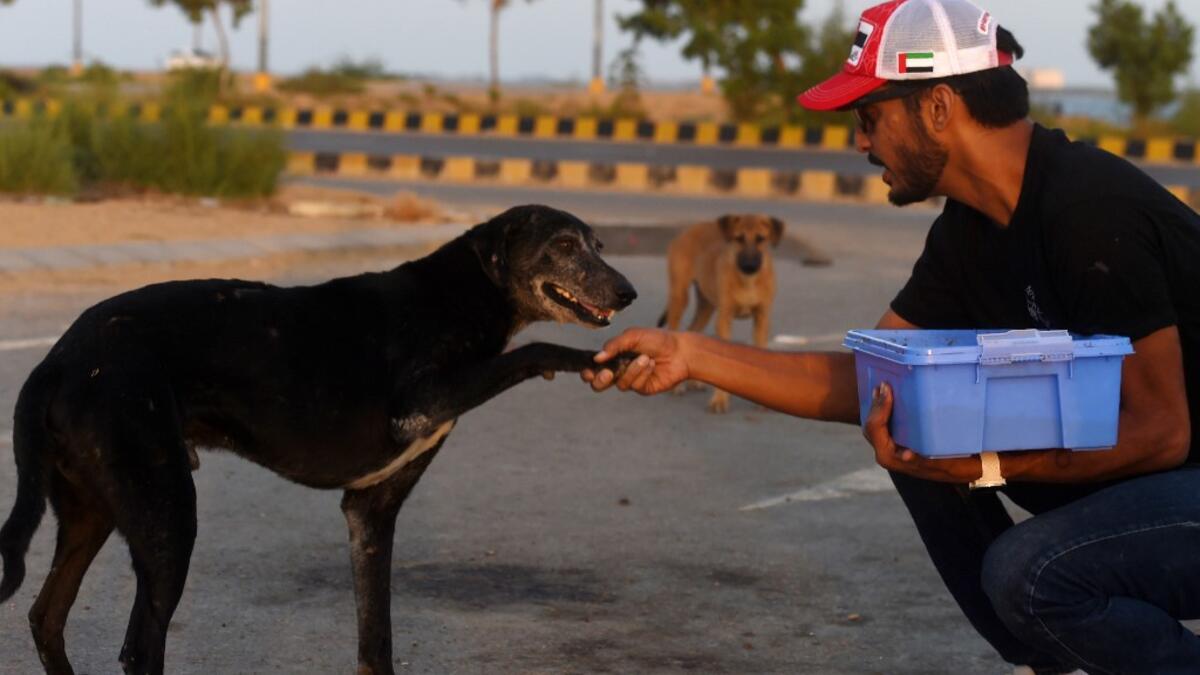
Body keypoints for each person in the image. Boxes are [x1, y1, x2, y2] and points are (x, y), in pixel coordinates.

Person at [582, 1, 1200, 673]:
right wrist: (694, 354)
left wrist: (989, 465)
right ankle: (1051, 649)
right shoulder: (969, 230)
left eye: (869, 116)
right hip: (1160, 482)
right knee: (909, 426)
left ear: (938, 107)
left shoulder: (1086, 210)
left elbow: (1163, 429)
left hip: (1182, 470)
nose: (860, 142)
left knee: (1029, 571)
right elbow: (874, 380)